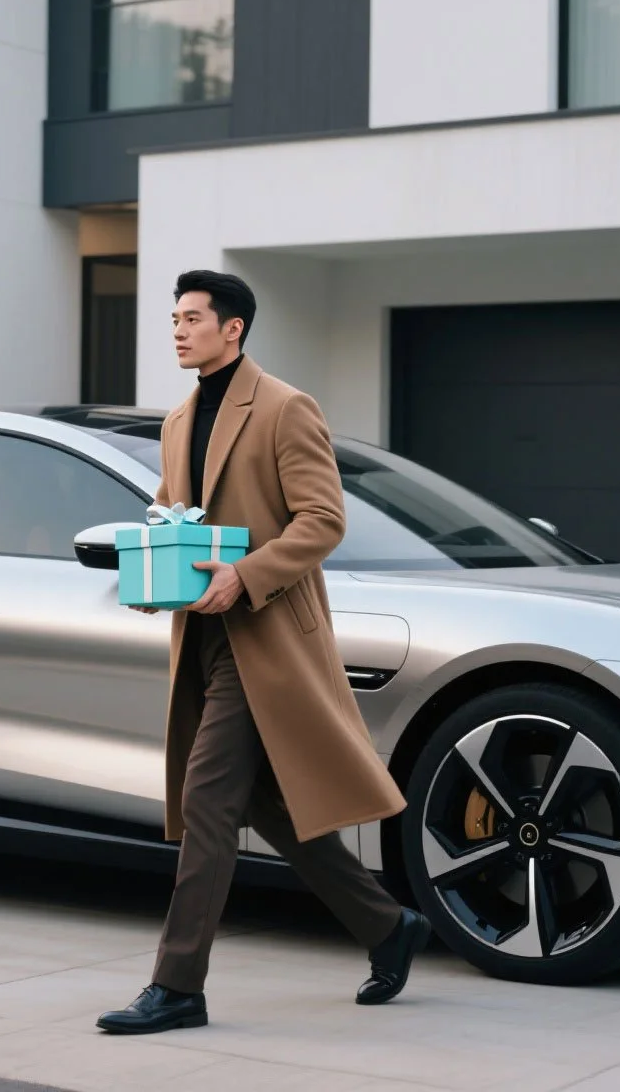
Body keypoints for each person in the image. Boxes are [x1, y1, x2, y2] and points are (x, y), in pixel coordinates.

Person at [96, 270, 431, 1035]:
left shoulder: (285, 407)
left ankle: (178, 985)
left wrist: (246, 576)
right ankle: (386, 925)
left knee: (206, 802)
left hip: (269, 637)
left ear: (233, 328)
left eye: (191, 319)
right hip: (205, 637)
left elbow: (322, 521)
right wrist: (156, 577)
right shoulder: (179, 420)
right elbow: (181, 519)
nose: (178, 331)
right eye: (173, 319)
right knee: (255, 802)